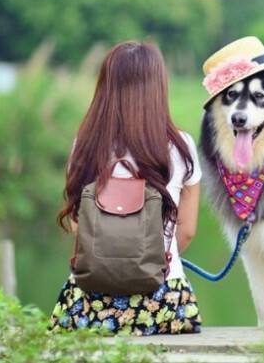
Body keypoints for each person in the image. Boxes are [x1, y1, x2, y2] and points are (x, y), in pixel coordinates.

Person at [49, 40, 203, 335]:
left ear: (105, 88)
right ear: (158, 88)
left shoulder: (83, 147)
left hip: (89, 305)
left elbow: (79, 228)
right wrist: (145, 262)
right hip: (163, 304)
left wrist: (112, 261)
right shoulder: (181, 146)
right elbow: (187, 231)